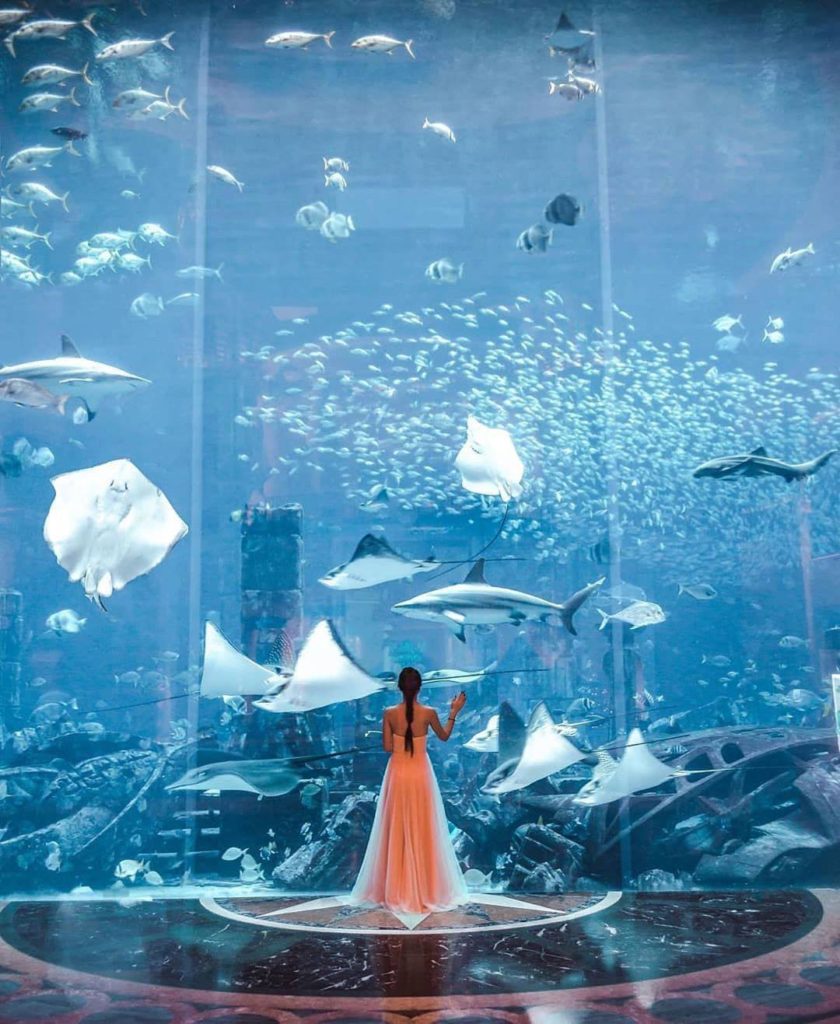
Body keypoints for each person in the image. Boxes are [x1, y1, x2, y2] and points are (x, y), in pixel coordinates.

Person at [350, 666, 468, 914]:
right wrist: (454, 712)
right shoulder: (429, 712)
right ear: (420, 687)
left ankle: (396, 885)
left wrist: (401, 737)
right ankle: (425, 887)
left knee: (396, 826)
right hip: (421, 774)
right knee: (423, 826)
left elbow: (385, 746)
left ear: (399, 687)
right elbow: (444, 736)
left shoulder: (389, 713)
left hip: (398, 772)